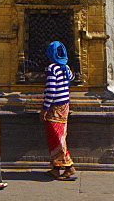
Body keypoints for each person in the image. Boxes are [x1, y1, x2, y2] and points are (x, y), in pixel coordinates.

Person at [40, 40, 77, 180]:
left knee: (56, 137)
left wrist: (44, 109)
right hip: (65, 105)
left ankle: (69, 167)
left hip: (54, 106)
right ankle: (55, 169)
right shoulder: (65, 68)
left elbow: (50, 90)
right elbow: (71, 78)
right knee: (59, 135)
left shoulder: (51, 69)